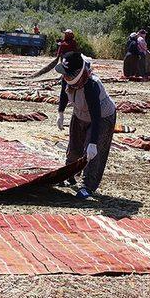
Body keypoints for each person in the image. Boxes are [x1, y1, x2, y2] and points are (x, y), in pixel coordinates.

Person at [55, 52, 117, 199]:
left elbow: (96, 117)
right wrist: (61, 112)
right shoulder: (67, 78)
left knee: (92, 154)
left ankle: (88, 186)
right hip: (80, 113)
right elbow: (64, 94)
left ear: (78, 72)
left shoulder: (91, 85)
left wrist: (93, 143)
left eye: (69, 74)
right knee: (74, 146)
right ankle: (69, 175)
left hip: (101, 118)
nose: (66, 77)